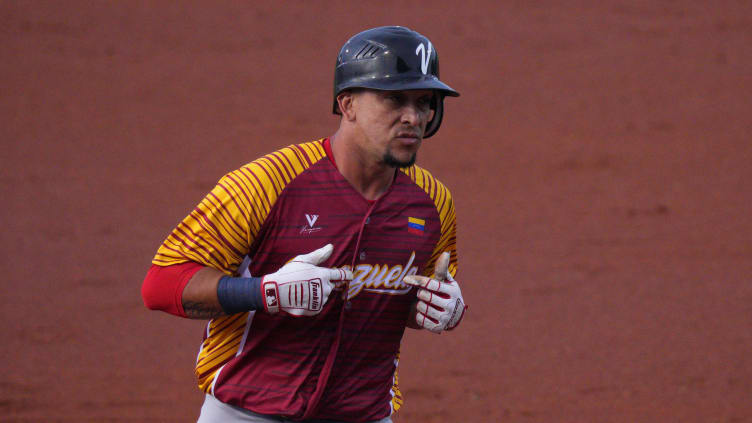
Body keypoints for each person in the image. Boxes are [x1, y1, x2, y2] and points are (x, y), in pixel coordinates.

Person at [142, 26, 468, 423]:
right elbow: (161, 285)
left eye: (424, 102)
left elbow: (411, 300)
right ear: (347, 104)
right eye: (394, 99)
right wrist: (264, 292)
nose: (413, 117)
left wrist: (440, 308)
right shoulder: (269, 182)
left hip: (363, 414)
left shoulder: (433, 202)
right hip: (246, 412)